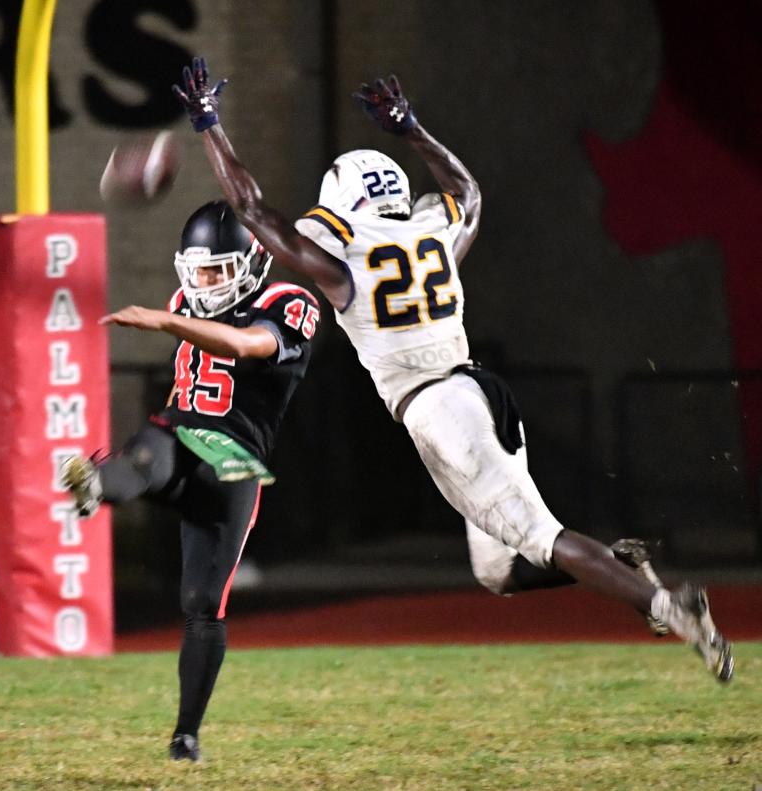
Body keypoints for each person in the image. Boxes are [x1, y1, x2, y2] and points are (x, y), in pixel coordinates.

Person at [171, 57, 734, 682]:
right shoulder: (432, 233)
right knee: (497, 571)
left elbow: (250, 208)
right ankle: (621, 573)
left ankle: (668, 607)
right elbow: (469, 193)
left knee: (542, 538)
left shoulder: (344, 263)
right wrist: (411, 128)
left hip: (440, 408)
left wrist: (209, 124)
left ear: (342, 202)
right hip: (479, 392)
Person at [61, 200, 321, 761]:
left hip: (231, 461)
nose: (204, 284)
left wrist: (165, 320)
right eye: (198, 271)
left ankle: (186, 736)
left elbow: (246, 344)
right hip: (180, 434)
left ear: (251, 264)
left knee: (203, 604)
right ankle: (98, 485)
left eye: (217, 271)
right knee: (147, 454)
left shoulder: (290, 302)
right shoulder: (186, 300)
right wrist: (174, 316)